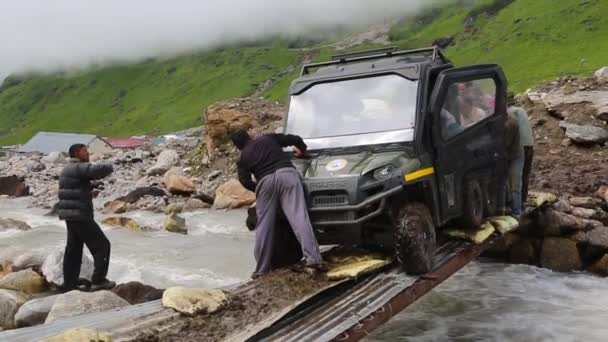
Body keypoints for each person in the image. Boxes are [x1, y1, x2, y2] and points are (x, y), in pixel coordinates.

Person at [231, 129, 323, 277]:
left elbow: (245, 181)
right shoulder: (267, 138)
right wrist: (302, 150)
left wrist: (259, 189)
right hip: (286, 174)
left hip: (264, 181)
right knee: (299, 217)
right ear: (249, 136)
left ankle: (261, 269)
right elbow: (294, 138)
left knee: (263, 226)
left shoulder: (243, 158)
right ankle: (313, 260)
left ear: (237, 146)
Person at [56, 144, 115, 291]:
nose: (88, 153)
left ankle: (70, 283)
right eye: (85, 151)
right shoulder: (76, 166)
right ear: (77, 153)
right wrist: (111, 164)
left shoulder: (68, 168)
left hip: (71, 215)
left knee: (73, 249)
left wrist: (88, 191)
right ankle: (98, 280)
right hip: (79, 215)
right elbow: (96, 170)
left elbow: (75, 187)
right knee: (102, 245)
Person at [508, 106, 534, 204]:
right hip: (530, 145)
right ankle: (523, 201)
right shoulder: (521, 110)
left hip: (520, 147)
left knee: (515, 178)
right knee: (525, 176)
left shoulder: (510, 113)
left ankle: (515, 203)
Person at [504, 114, 524, 217]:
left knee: (515, 185)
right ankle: (509, 208)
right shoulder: (505, 122)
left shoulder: (510, 124)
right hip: (507, 157)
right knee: (506, 183)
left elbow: (504, 144)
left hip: (515, 157)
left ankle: (517, 212)